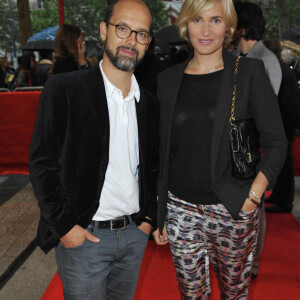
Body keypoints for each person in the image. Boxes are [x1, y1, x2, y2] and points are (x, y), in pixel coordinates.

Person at [152, 0, 287, 299]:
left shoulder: (249, 72)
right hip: (180, 210)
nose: (206, 30)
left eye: (215, 20)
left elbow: (277, 142)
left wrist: (254, 196)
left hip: (232, 207)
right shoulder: (167, 80)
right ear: (186, 24)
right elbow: (161, 153)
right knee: (192, 295)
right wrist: (159, 213)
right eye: (198, 20)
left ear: (228, 26)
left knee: (234, 293)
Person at [29, 1, 158, 299]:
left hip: (134, 234)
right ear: (104, 30)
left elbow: (153, 166)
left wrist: (149, 220)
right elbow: (42, 163)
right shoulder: (65, 89)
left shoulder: (149, 103)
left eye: (141, 34)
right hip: (85, 236)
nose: (131, 40)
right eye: (123, 29)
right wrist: (64, 226)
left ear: (148, 42)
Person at [233, 1, 283, 280]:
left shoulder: (264, 59)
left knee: (255, 204)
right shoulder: (240, 56)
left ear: (240, 26)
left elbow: (262, 110)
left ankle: (251, 263)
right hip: (236, 144)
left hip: (253, 145)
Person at [263, 39, 299, 213]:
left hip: (283, 123)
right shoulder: (283, 68)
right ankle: (279, 195)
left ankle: (284, 202)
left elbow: (280, 101)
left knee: (284, 164)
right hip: (285, 123)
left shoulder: (277, 71)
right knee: (281, 164)